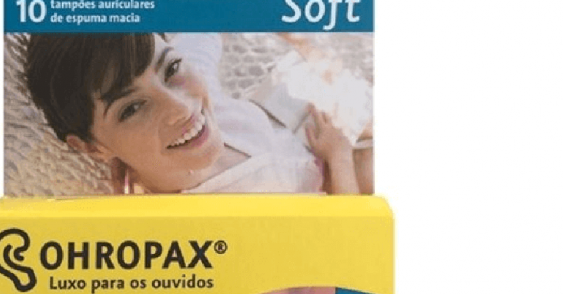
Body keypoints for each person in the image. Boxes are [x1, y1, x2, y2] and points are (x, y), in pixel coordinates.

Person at [24, 32, 369, 194]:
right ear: (91, 146)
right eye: (132, 108)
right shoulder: (196, 218)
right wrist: (338, 155)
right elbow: (343, 235)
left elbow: (205, 29)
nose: (181, 107)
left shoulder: (196, 86)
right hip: (334, 182)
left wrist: (294, 36)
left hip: (297, 131)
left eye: (170, 68)